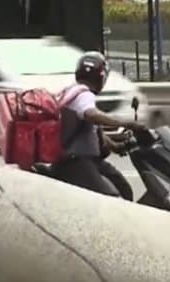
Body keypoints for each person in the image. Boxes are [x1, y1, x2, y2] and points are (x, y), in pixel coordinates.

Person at [52, 51, 146, 200]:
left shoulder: (73, 91)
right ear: (102, 77)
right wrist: (127, 122)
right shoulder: (83, 94)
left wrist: (116, 146)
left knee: (124, 189)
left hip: (88, 160)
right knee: (111, 199)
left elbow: (92, 129)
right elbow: (92, 115)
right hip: (76, 162)